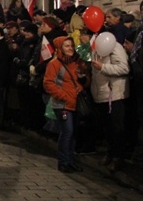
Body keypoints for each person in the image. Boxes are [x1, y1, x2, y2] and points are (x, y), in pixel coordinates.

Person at [43, 36, 89, 173]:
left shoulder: (77, 63)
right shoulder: (55, 64)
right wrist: (63, 97)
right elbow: (48, 83)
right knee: (67, 131)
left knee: (72, 132)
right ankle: (63, 162)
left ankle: (70, 161)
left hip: (75, 103)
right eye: (66, 46)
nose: (70, 48)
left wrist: (84, 79)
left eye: (71, 45)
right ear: (60, 48)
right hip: (62, 104)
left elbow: (85, 82)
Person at [91, 32, 130, 172]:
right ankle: (110, 153)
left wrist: (103, 67)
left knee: (116, 127)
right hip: (101, 93)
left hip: (114, 94)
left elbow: (124, 68)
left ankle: (118, 157)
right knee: (107, 127)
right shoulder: (96, 48)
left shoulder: (115, 47)